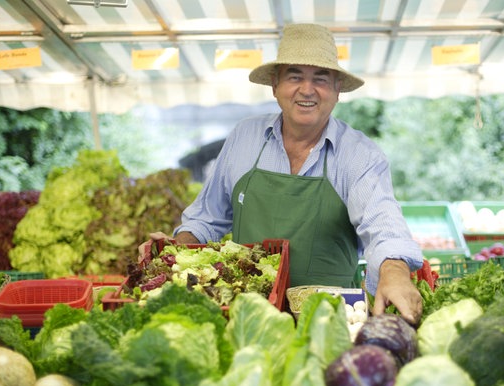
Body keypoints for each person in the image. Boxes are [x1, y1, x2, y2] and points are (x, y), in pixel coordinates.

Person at [173, 23, 424, 325]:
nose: (307, 90)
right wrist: (174, 255)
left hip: (328, 321)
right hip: (247, 316)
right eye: (295, 77)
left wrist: (394, 271)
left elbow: (382, 222)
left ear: (337, 90)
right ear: (275, 86)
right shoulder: (245, 137)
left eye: (321, 79)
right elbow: (205, 218)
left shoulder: (359, 154)